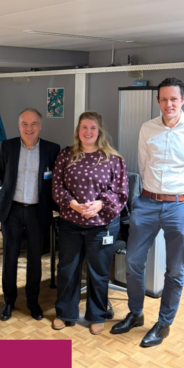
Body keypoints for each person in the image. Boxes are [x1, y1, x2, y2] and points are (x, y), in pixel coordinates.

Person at [111, 77, 184, 347]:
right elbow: (143, 165)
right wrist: (153, 194)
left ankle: (164, 323)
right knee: (133, 261)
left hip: (181, 205)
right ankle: (135, 313)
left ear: (183, 100)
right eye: (164, 99)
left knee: (175, 270)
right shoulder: (147, 128)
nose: (169, 104)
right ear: (158, 101)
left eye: (174, 99)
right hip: (147, 202)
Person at [52, 112, 128, 335]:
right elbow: (57, 186)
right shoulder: (66, 155)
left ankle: (97, 315)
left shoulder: (113, 159)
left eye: (93, 127)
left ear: (99, 131)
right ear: (78, 130)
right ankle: (65, 313)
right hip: (71, 223)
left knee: (99, 272)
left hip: (101, 226)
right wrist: (73, 204)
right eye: (84, 127)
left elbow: (121, 192)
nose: (88, 132)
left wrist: (99, 204)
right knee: (67, 269)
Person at [0, 108, 60, 322]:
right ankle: (9, 301)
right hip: (12, 210)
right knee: (10, 258)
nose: (29, 128)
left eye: (33, 124)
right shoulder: (8, 147)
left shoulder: (52, 149)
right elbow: (1, 173)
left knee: (34, 259)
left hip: (37, 211)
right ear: (19, 126)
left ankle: (33, 302)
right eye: (25, 123)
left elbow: (54, 180)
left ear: (40, 126)